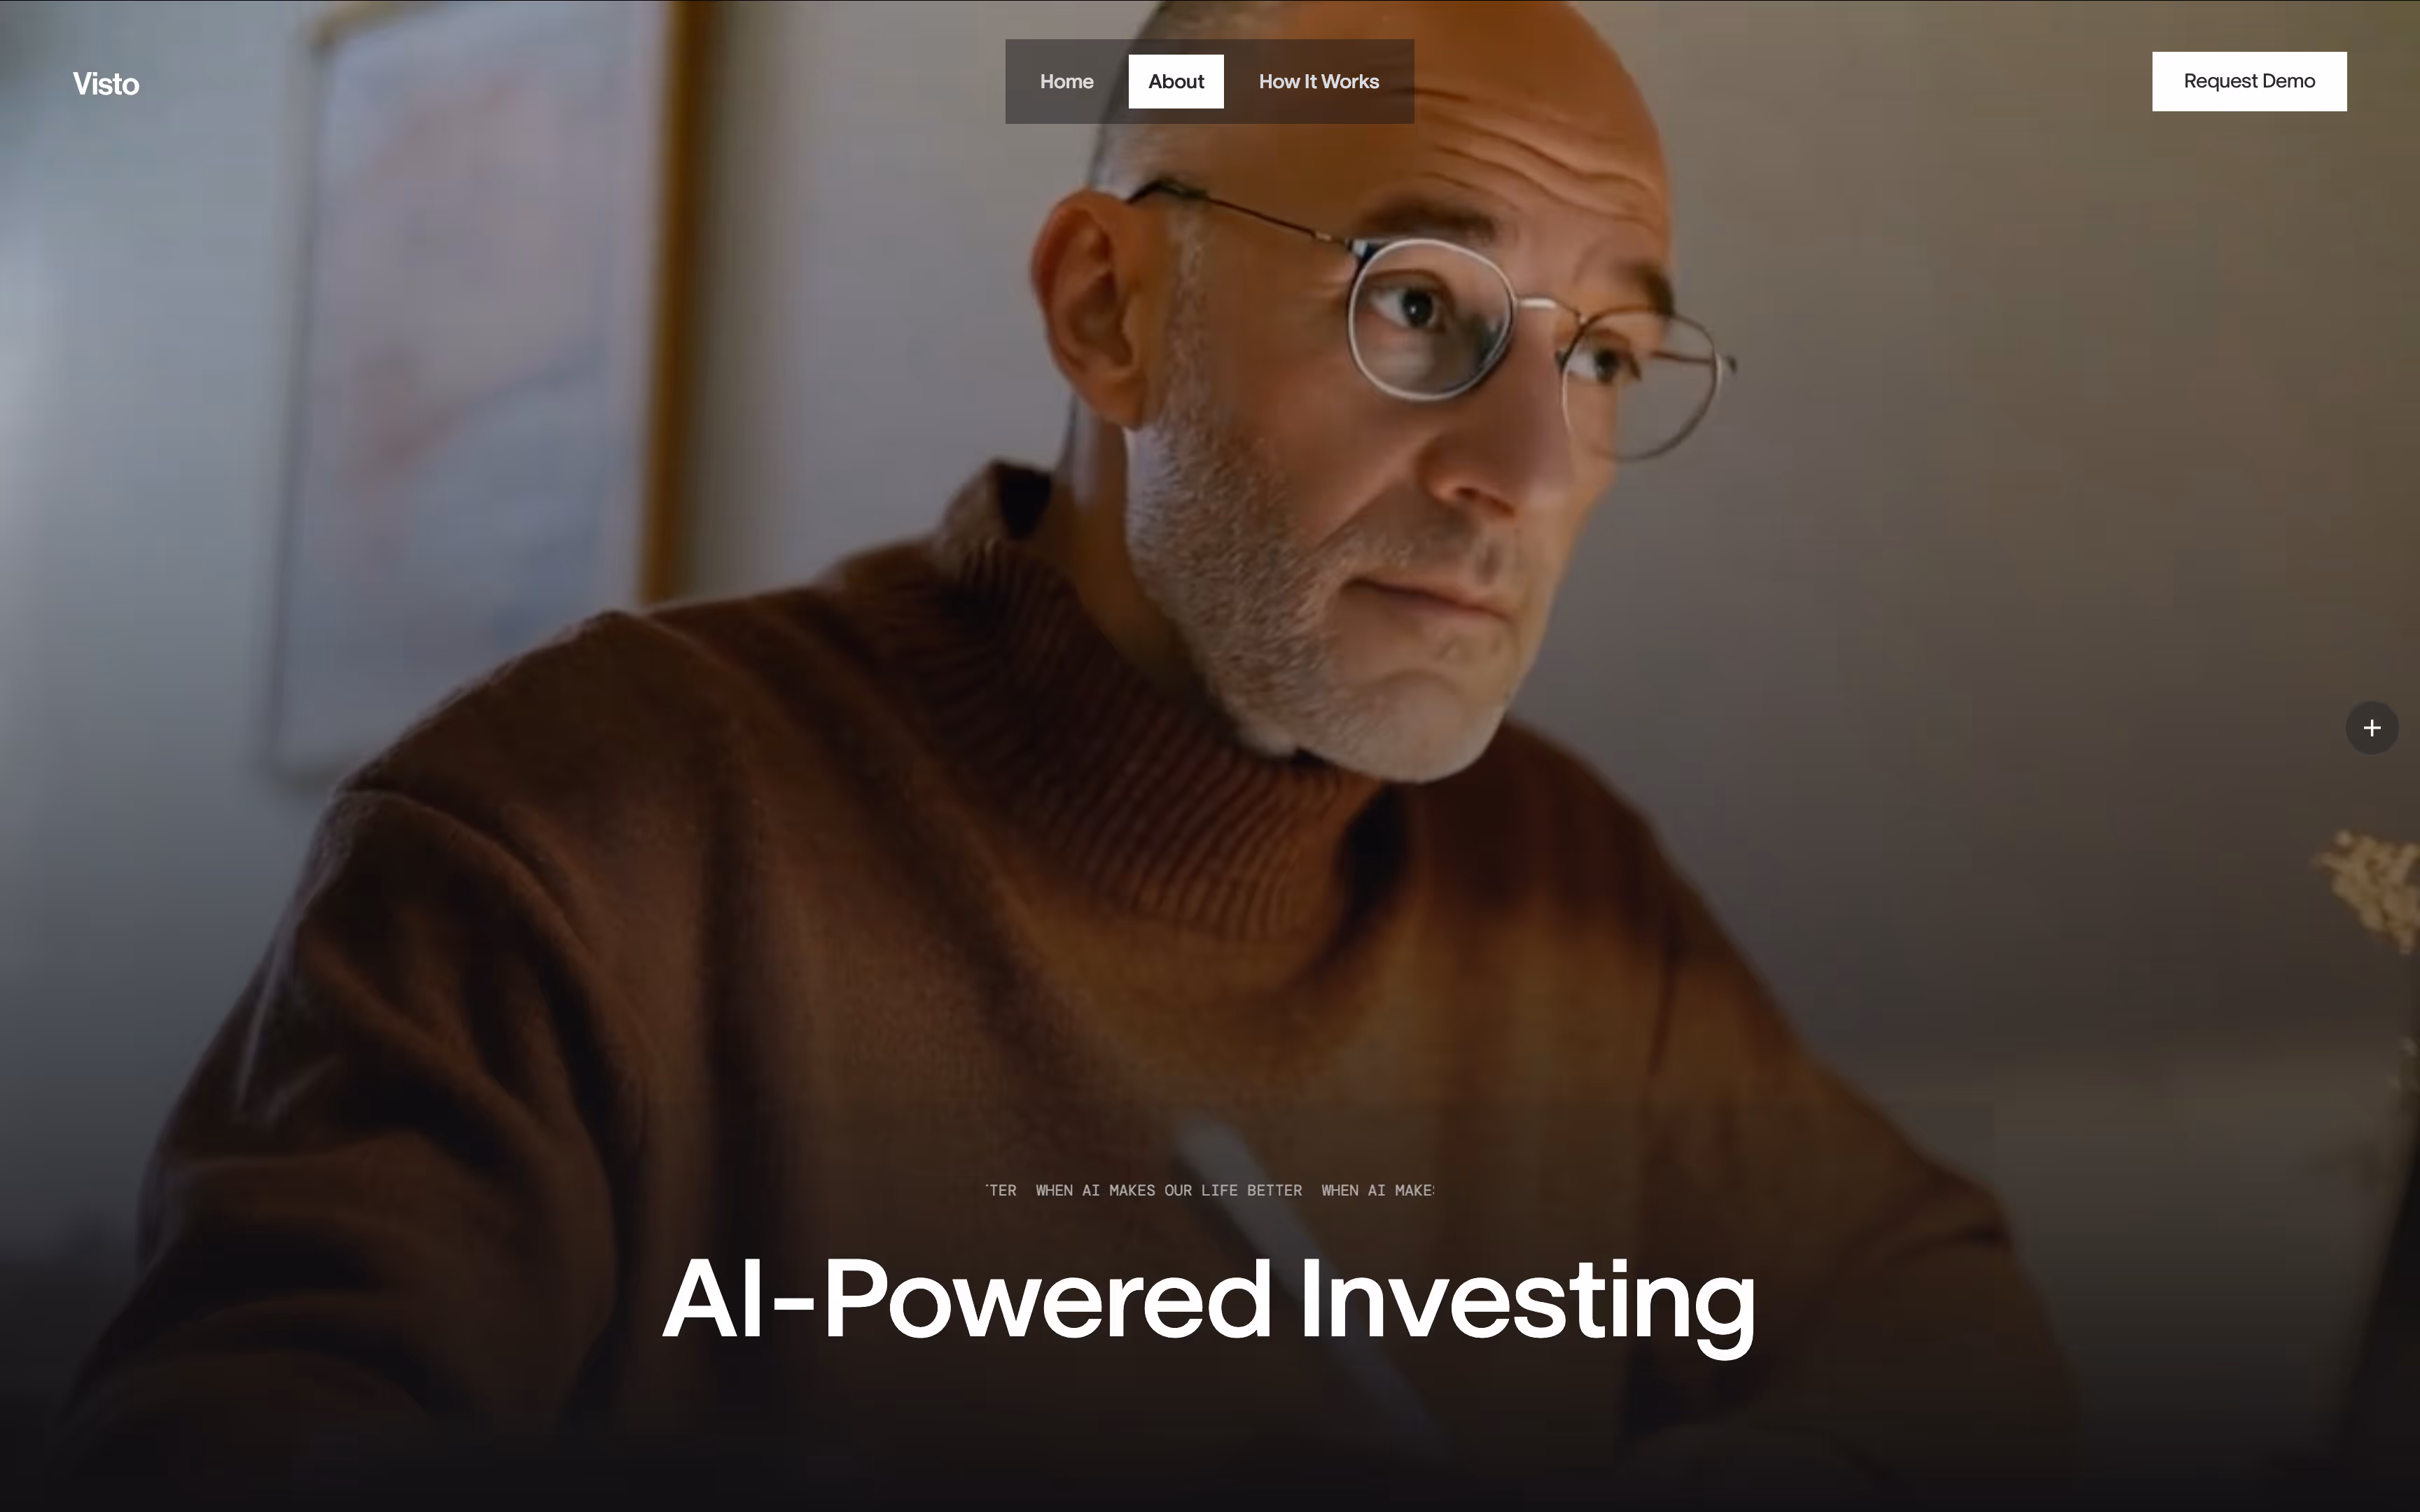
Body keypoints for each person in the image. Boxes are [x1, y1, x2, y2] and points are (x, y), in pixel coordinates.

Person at [50, 0, 2073, 1502]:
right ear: (1112, 314)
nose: (1528, 476)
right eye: (1421, 307)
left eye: (1604, 357)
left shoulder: (1569, 890)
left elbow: (1950, 1331)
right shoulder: (583, 834)